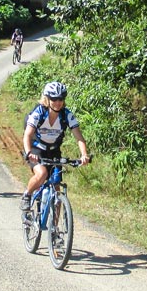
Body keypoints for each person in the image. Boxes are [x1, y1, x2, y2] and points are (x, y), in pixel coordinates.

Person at [20, 80, 91, 210]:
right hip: (36, 148)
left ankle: (55, 229)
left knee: (57, 188)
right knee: (41, 174)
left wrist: (84, 155)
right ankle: (27, 195)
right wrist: (29, 153)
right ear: (47, 99)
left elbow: (79, 137)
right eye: (54, 99)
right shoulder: (39, 112)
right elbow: (27, 135)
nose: (58, 102)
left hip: (54, 151)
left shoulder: (66, 115)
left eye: (61, 99)